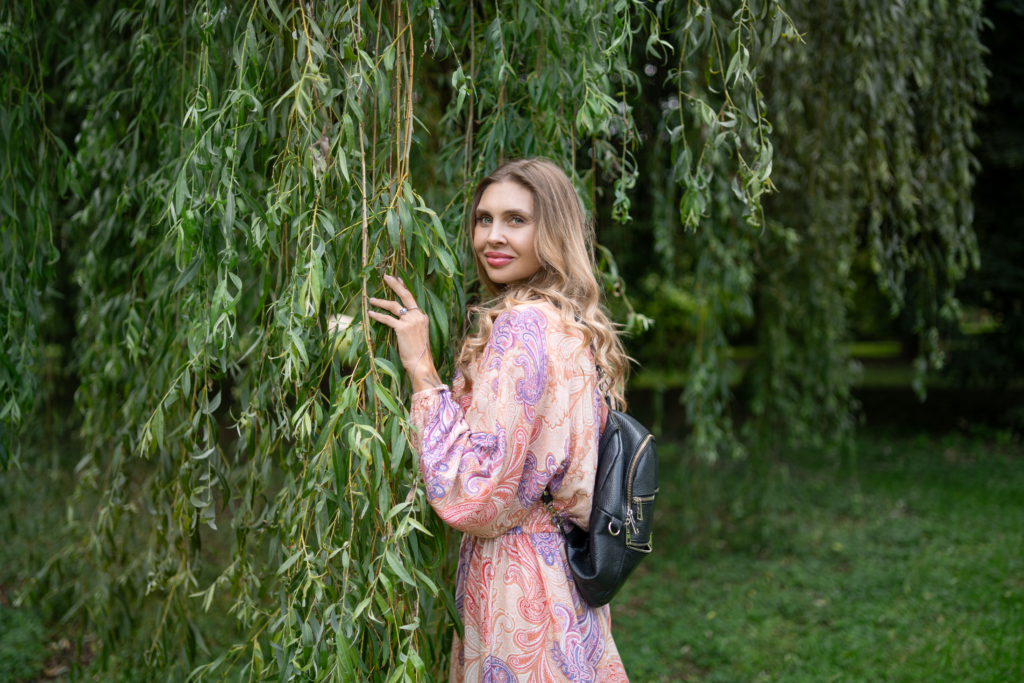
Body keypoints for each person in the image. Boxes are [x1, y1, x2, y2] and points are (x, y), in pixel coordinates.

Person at [368, 158, 631, 682]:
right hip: (563, 569)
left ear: (552, 231)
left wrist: (421, 369)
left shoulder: (521, 326)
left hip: (516, 578)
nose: (492, 236)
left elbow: (479, 492)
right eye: (483, 219)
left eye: (516, 220)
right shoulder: (569, 324)